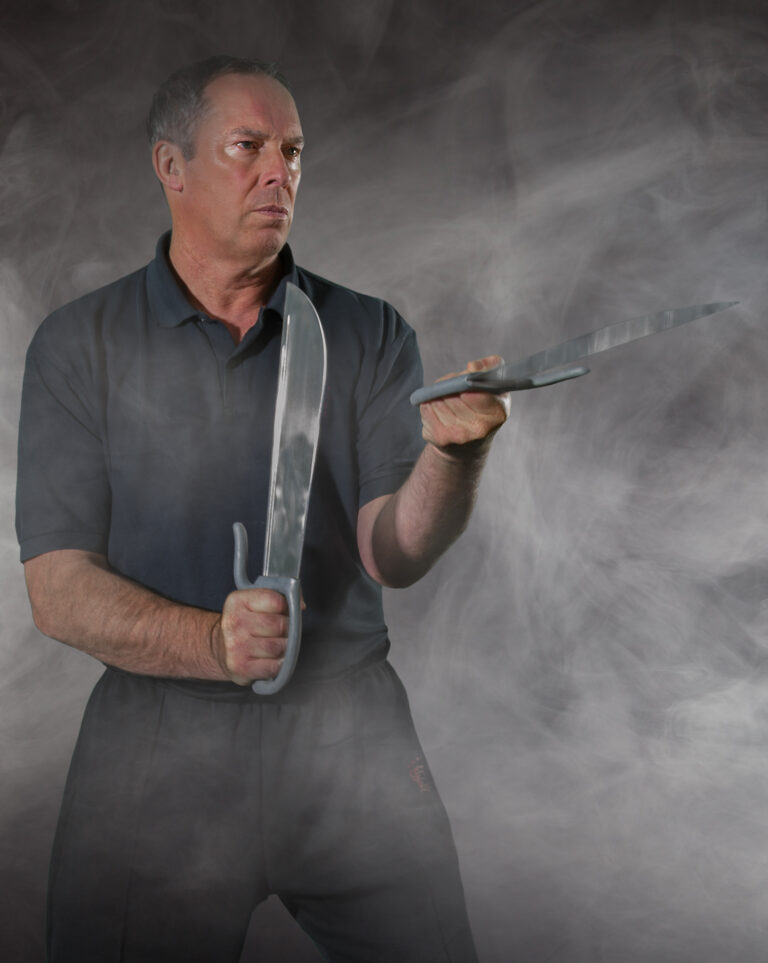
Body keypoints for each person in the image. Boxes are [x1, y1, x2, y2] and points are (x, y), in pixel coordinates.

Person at [16, 56, 508, 962]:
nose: (279, 172)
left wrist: (454, 455)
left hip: (348, 734)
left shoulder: (366, 332)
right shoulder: (78, 344)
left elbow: (392, 550)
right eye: (248, 147)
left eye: (292, 150)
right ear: (171, 166)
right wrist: (212, 643)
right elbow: (57, 587)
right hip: (155, 746)